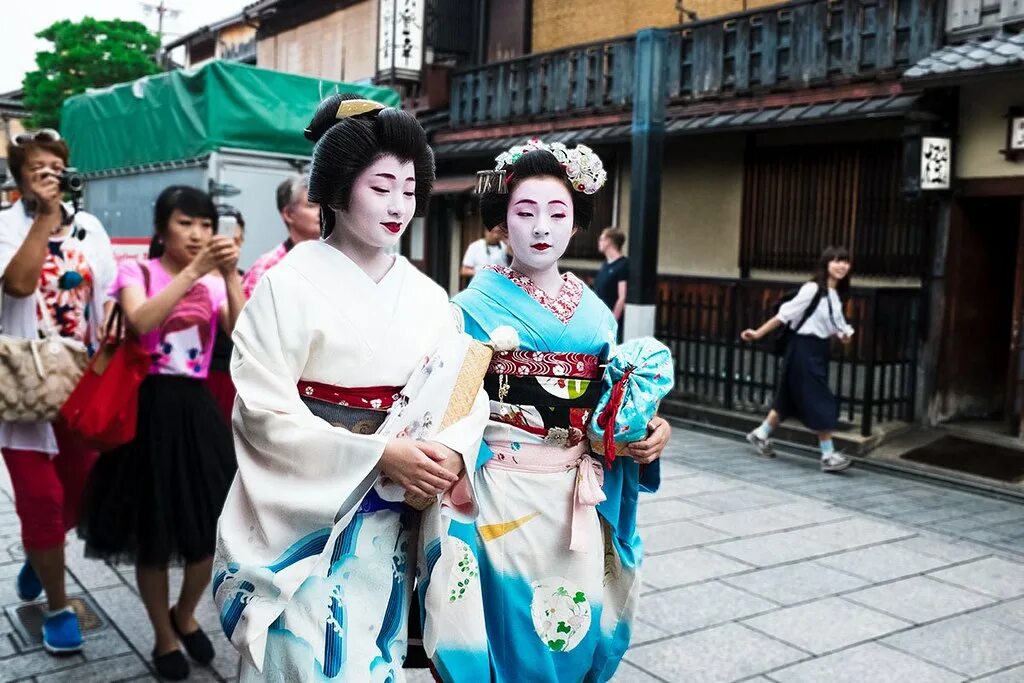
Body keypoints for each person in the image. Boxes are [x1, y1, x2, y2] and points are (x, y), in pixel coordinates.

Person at [213, 94, 488, 682]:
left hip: (390, 518)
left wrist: (452, 450)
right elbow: (262, 411)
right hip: (310, 517)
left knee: (374, 653)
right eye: (381, 186)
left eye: (410, 189)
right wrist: (379, 451)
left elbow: (463, 389)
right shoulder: (286, 287)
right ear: (337, 191)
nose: (399, 205)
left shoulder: (427, 295)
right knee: (302, 661)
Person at [419, 139, 672, 682]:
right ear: (501, 224)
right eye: (525, 212)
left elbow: (613, 407)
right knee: (505, 629)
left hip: (574, 496)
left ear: (576, 223)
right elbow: (443, 408)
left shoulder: (597, 316)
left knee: (571, 627)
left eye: (557, 214)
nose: (541, 227)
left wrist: (647, 430)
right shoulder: (466, 310)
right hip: (496, 493)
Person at [77, 186, 243, 680]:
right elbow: (141, 320)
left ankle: (185, 613)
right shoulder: (138, 272)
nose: (197, 234)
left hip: (196, 410)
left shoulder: (215, 280)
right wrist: (195, 272)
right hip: (146, 409)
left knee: (212, 530)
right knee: (150, 533)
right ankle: (163, 634)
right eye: (185, 223)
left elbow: (239, 335)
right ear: (161, 227)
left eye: (205, 225)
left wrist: (230, 274)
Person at [0, 128, 116, 655]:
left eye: (54, 167)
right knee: (40, 501)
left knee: (76, 495)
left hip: (79, 386)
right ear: (18, 178)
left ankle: (38, 553)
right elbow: (18, 285)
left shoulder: (89, 228)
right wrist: (44, 217)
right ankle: (57, 605)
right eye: (35, 169)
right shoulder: (5, 225)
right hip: (23, 387)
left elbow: (110, 297)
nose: (47, 176)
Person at [740, 245, 855, 473]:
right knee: (819, 398)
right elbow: (784, 315)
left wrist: (845, 336)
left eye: (845, 262)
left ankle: (760, 434)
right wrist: (758, 333)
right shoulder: (812, 289)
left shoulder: (835, 295)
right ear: (826, 264)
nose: (842, 266)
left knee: (788, 399)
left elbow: (840, 328)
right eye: (836, 261)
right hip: (802, 348)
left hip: (818, 350)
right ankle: (828, 454)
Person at [241, 174, 320, 298]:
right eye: (311, 206)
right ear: (288, 214)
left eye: (324, 205)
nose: (321, 212)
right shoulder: (268, 267)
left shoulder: (338, 260)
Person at [207, 206, 245, 422]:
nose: (232, 247)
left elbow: (240, 331)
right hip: (202, 380)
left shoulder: (247, 279)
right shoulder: (188, 279)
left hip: (234, 382)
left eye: (237, 241)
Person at [592, 226, 629, 335]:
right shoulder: (605, 265)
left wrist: (612, 323)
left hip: (611, 325)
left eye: (601, 239)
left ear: (608, 241)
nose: (599, 242)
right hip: (599, 320)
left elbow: (622, 297)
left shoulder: (623, 265)